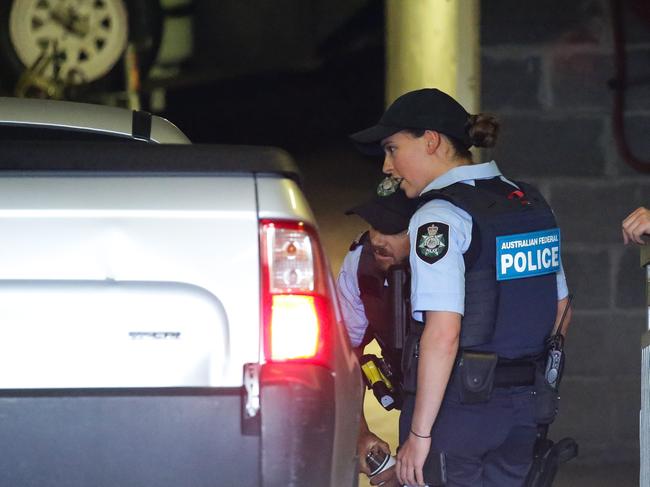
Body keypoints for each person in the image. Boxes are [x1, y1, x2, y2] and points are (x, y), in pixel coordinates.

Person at [350, 88, 572, 487]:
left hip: (459, 414)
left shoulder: (439, 214)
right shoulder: (530, 203)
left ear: (431, 141)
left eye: (392, 148)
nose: (387, 165)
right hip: (526, 411)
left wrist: (419, 436)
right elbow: (562, 309)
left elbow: (443, 333)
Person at [337, 190, 418, 487]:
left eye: (393, 230)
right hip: (408, 394)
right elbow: (344, 354)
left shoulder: (449, 260)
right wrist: (360, 434)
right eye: (375, 226)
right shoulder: (361, 262)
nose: (378, 240)